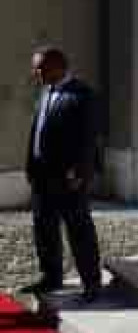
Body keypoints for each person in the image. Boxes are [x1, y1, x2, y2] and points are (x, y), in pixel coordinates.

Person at [22, 47, 102, 303]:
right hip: (41, 176)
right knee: (44, 228)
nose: (35, 73)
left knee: (79, 230)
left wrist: (80, 172)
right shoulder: (46, 92)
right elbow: (38, 130)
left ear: (57, 66)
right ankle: (51, 276)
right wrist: (30, 166)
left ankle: (91, 283)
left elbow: (89, 138)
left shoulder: (82, 94)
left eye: (40, 68)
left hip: (68, 178)